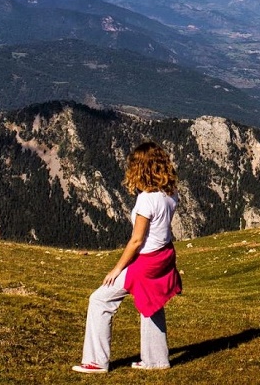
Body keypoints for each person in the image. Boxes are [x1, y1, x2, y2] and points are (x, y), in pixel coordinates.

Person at [72, 141, 182, 374]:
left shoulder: (146, 200)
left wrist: (116, 269)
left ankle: (96, 361)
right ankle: (156, 360)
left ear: (141, 168)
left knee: (100, 299)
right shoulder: (170, 194)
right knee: (152, 303)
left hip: (146, 261)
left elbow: (136, 241)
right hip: (165, 256)